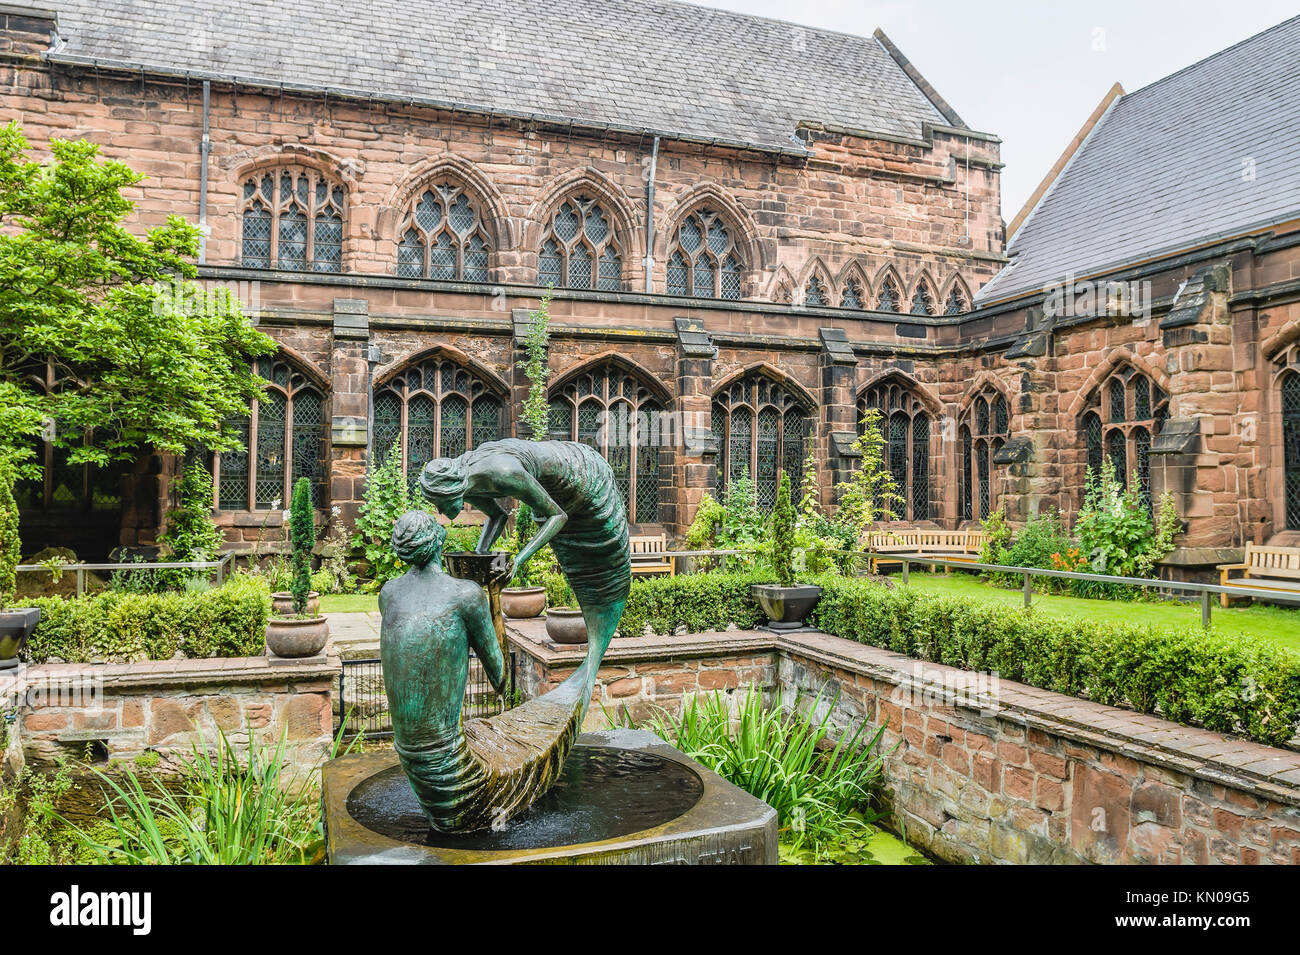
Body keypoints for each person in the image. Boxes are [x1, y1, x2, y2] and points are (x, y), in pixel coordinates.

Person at [418, 438, 631, 712]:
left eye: (440, 503)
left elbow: (558, 515)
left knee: (600, 574)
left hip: (581, 477)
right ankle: (579, 687)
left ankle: (588, 670)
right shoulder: (466, 481)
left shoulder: (502, 472)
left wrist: (518, 559)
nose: (440, 512)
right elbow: (498, 516)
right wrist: (482, 553)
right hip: (553, 488)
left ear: (452, 491)